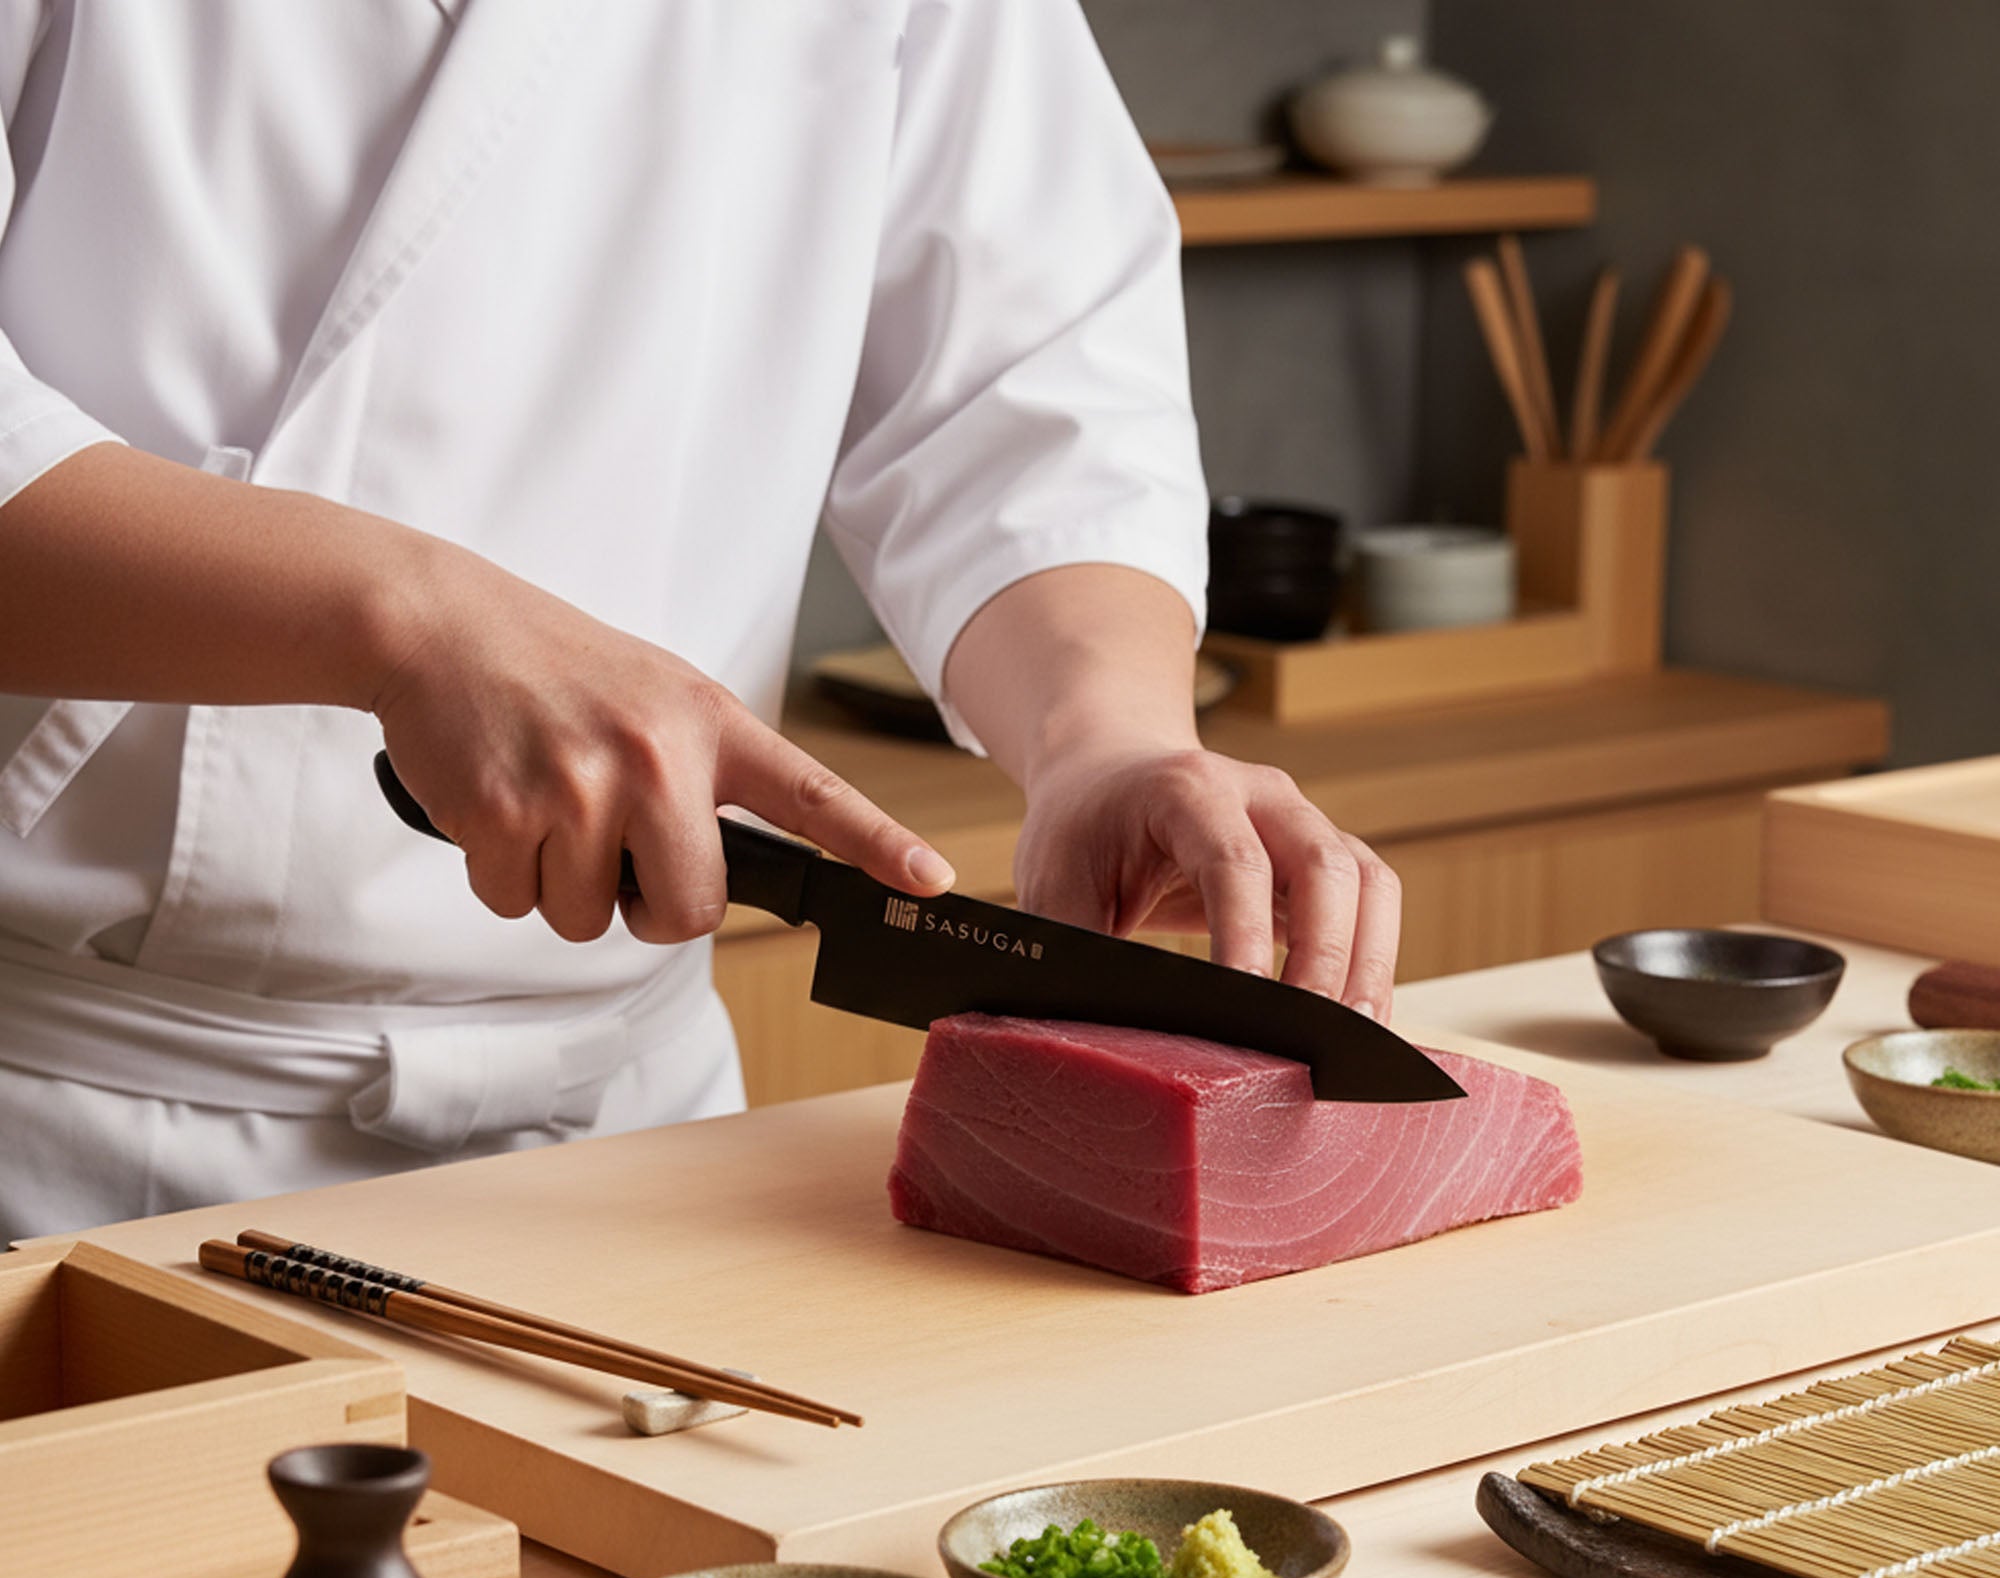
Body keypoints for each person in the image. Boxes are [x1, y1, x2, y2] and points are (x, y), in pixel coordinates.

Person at [0, 1, 1400, 1244]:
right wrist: (408, 624)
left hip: (635, 1134)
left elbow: (1026, 385)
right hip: (71, 1138)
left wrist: (1105, 735)